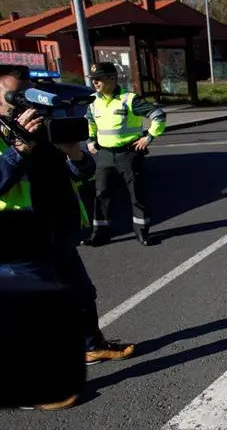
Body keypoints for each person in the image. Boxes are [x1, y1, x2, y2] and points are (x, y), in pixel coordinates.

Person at [0, 64, 135, 410]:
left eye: (26, 93)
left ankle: (92, 346)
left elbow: (81, 173)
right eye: (13, 95)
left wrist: (75, 153)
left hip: (57, 228)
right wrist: (18, 151)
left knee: (81, 293)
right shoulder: (12, 134)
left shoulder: (40, 126)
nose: (22, 103)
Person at [82, 62, 167, 247]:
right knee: (101, 194)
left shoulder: (129, 99)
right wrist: (90, 140)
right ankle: (100, 234)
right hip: (104, 155)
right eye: (93, 79)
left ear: (112, 78)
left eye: (99, 79)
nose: (95, 82)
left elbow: (158, 115)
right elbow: (90, 121)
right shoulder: (93, 101)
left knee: (136, 194)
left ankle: (142, 233)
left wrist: (149, 137)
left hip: (128, 154)